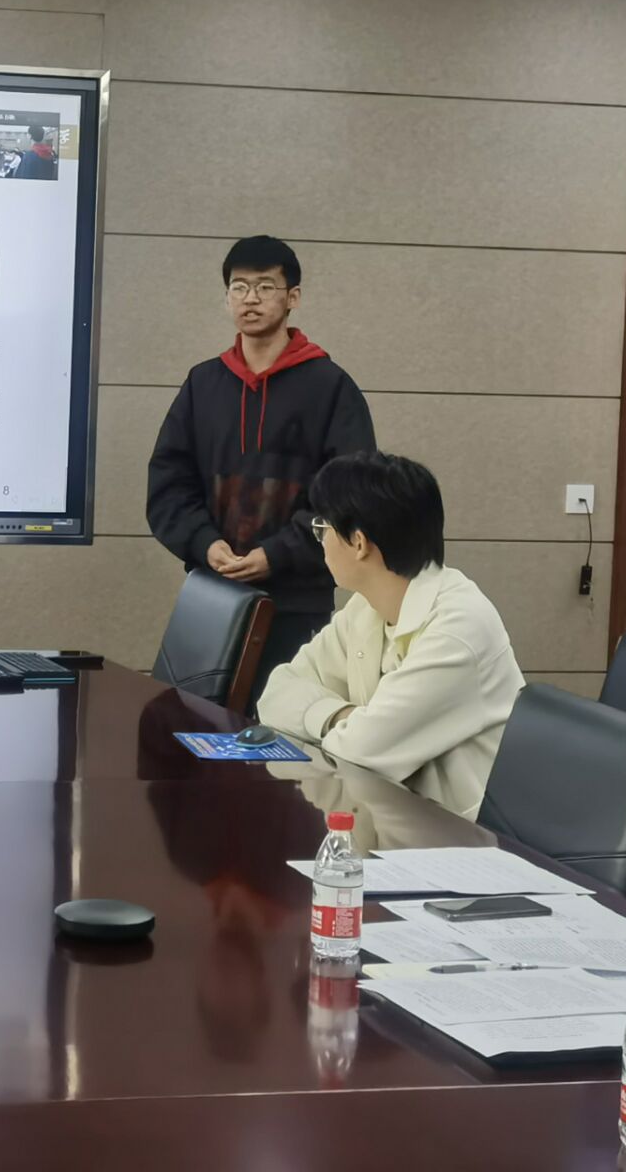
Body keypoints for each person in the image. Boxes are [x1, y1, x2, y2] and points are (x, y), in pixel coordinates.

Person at [147, 235, 376, 688]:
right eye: (239, 287)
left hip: (298, 601)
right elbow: (169, 484)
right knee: (198, 717)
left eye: (265, 287)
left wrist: (277, 554)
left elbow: (350, 492)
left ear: (293, 297)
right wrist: (204, 543)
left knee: (285, 721)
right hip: (213, 594)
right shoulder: (203, 384)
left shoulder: (331, 387)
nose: (250, 299)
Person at [254, 452, 521, 820]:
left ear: (359, 543)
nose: (321, 540)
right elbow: (276, 693)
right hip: (393, 816)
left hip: (462, 835)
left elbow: (359, 752)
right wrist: (340, 716)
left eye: (323, 528)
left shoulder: (458, 629)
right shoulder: (367, 607)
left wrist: (339, 723)